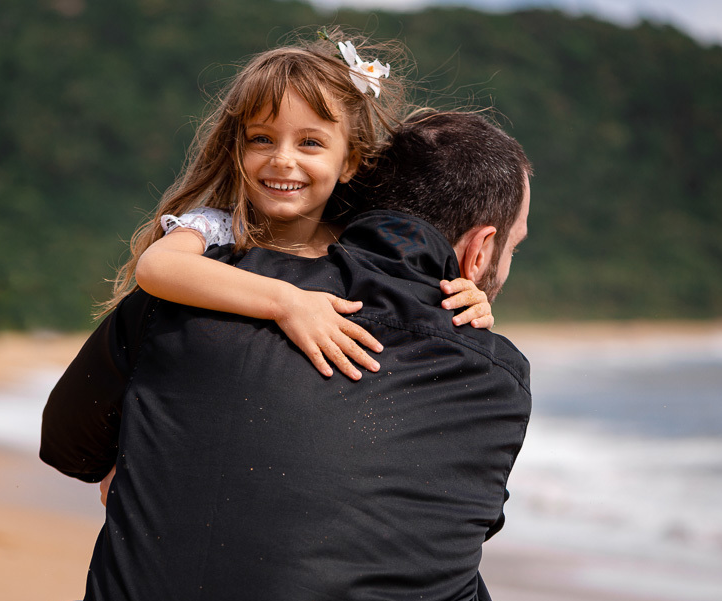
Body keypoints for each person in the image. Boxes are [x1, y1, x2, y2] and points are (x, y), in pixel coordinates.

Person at [11, 107, 533, 601]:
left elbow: (67, 444)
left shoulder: (203, 292)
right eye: (514, 247)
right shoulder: (493, 376)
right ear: (480, 250)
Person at [100, 31, 493, 384]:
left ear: (350, 161)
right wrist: (286, 303)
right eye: (261, 139)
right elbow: (157, 267)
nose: (283, 159)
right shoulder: (218, 227)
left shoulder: (360, 241)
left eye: (310, 143)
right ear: (235, 147)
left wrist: (468, 301)